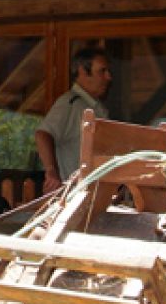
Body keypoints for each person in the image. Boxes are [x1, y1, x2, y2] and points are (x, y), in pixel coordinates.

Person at [35, 47, 113, 194]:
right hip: (74, 196)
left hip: (92, 195)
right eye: (102, 71)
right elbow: (43, 134)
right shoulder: (70, 103)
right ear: (83, 71)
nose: (108, 77)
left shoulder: (96, 107)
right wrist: (51, 172)